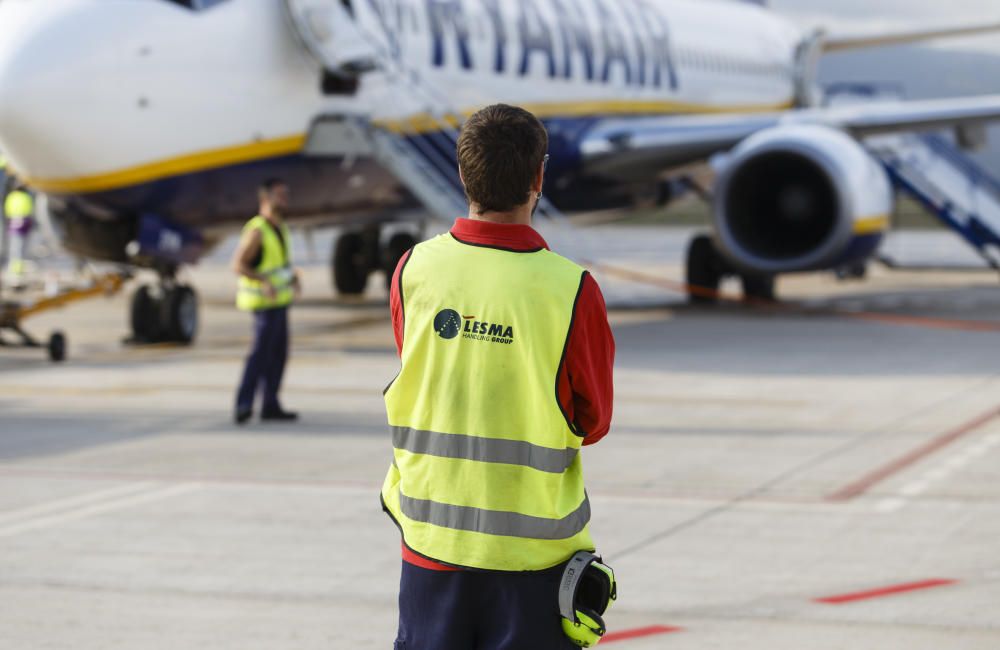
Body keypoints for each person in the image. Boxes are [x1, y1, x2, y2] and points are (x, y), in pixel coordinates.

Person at [381, 104, 615, 648]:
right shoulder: (572, 289)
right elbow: (592, 420)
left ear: (462, 174)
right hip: (532, 563)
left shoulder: (413, 269)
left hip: (430, 547)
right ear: (538, 178)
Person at [231, 178, 300, 424]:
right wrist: (263, 281)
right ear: (265, 199)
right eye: (279, 195)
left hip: (280, 303)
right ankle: (244, 404)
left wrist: (292, 279)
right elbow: (238, 264)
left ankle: (270, 404)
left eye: (285, 194)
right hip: (263, 306)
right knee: (259, 356)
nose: (284, 199)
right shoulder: (258, 230)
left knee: (279, 355)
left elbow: (278, 265)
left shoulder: (280, 227)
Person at [4, 178, 35, 283]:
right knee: (20, 247)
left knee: (16, 246)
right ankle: (17, 269)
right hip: (24, 222)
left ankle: (17, 269)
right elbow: (31, 210)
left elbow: (7, 211)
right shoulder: (26, 197)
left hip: (15, 223)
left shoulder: (11, 196)